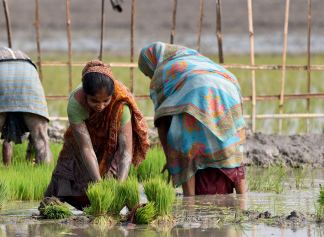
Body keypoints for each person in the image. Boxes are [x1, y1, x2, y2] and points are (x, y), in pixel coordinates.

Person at [138, 42, 246, 196]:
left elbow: (162, 122)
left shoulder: (161, 73)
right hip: (228, 91)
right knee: (231, 145)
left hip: (195, 95)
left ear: (151, 63)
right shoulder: (198, 59)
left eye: (148, 72)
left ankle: (190, 203)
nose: (150, 75)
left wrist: (171, 160)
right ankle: (242, 199)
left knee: (186, 145)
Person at [44, 60, 150, 210]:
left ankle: (108, 208)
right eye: (94, 101)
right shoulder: (76, 104)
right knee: (68, 170)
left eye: (106, 101)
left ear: (112, 96)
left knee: (113, 179)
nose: (100, 107)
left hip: (111, 143)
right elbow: (86, 148)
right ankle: (52, 207)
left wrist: (121, 185)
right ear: (86, 94)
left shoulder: (120, 103)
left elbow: (126, 149)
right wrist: (98, 185)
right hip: (84, 140)